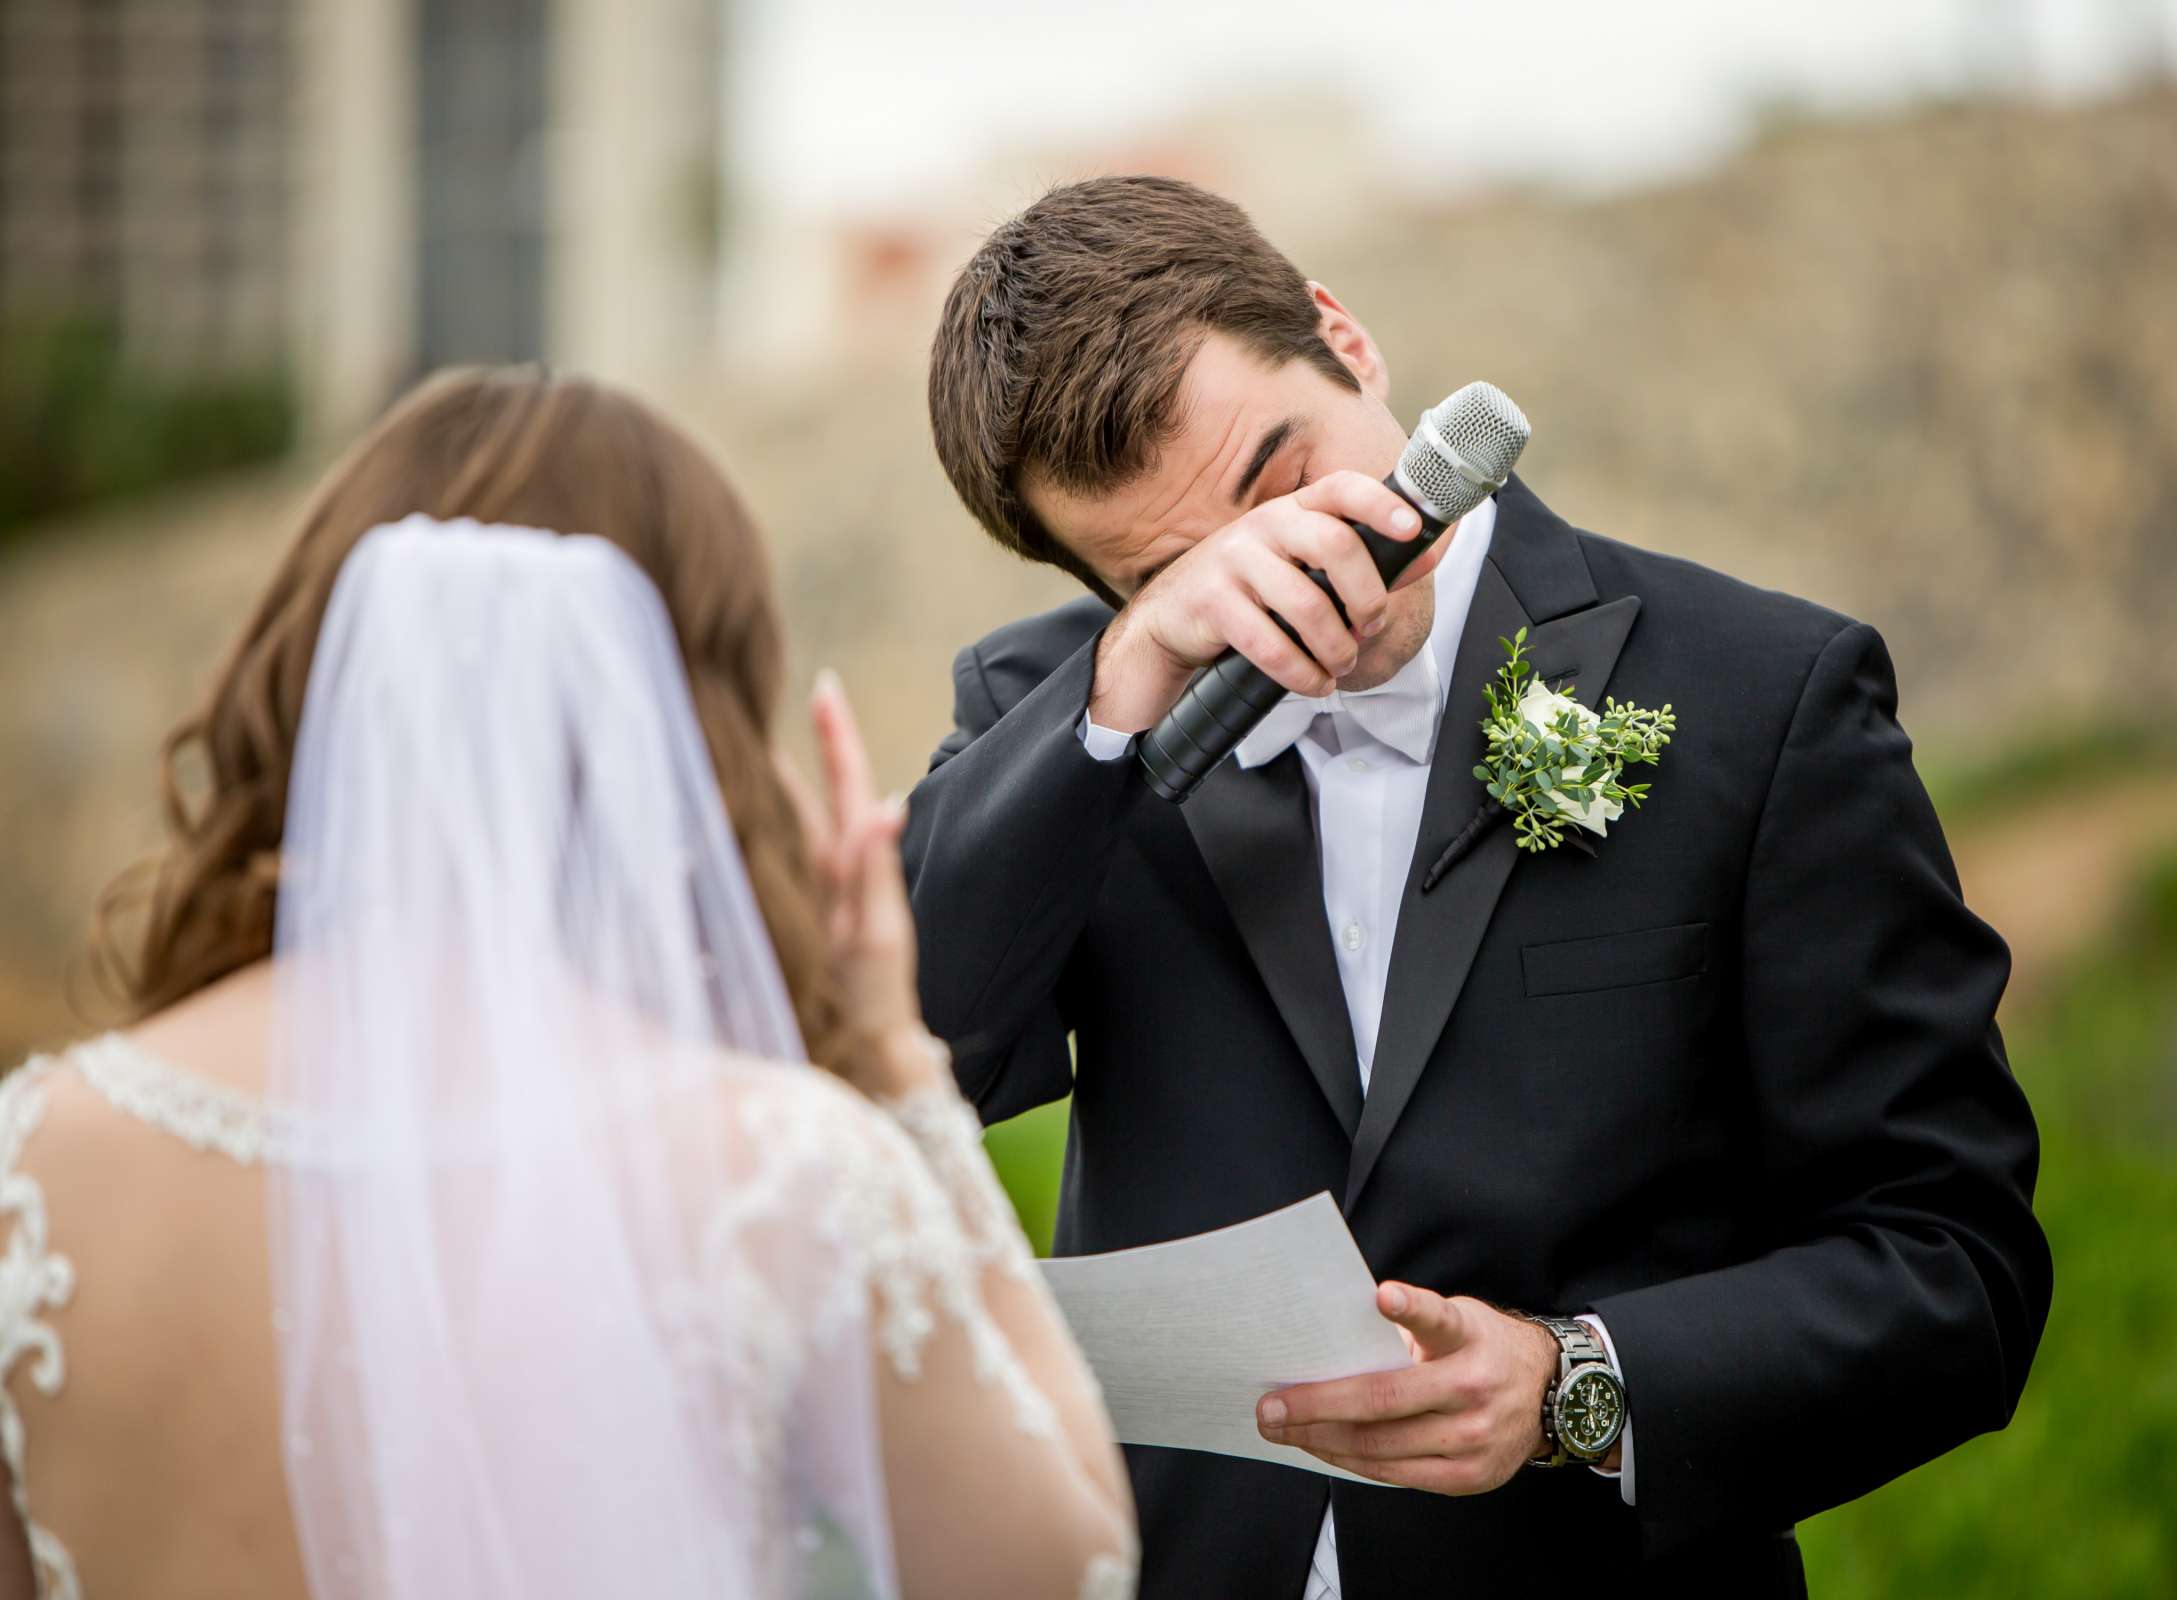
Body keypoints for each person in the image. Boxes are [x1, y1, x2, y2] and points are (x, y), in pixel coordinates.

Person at [905, 175, 2051, 1596]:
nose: (1305, 566)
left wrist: (1576, 1387)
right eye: (1185, 566)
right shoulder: (1059, 725)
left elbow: (1955, 1266)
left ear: (1346, 337)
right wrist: (1127, 690)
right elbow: (907, 1064)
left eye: (1285, 473)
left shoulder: (1764, 696)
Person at [0, 366, 1136, 1599]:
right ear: (680, 720)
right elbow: (1063, 1566)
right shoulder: (777, 1170)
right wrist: (901, 1070)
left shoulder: (36, 1161)